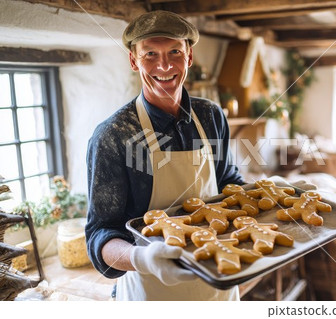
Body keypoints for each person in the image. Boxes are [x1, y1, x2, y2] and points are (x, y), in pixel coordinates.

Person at [85, 10, 245, 301]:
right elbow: (100, 233)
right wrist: (142, 258)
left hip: (220, 284)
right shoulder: (114, 135)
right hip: (150, 293)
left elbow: (227, 181)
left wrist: (262, 193)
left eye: (175, 51)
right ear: (133, 60)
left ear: (189, 56)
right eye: (150, 55)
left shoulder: (211, 116)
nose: (165, 65)